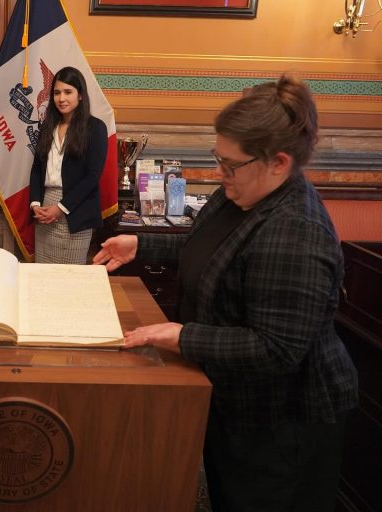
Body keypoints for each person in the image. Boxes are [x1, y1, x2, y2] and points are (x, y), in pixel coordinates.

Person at [94, 75, 358, 512]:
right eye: (219, 158)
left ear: (279, 162)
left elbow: (277, 348)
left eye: (231, 165)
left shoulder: (296, 229)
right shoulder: (244, 192)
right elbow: (216, 247)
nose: (221, 173)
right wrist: (142, 243)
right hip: (237, 403)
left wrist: (182, 336)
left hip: (283, 421)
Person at [29, 66, 107, 264]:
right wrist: (36, 204)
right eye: (56, 93)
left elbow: (92, 176)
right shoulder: (47, 125)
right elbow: (37, 168)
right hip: (46, 209)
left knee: (70, 277)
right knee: (44, 273)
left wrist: (61, 207)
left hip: (75, 211)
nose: (61, 98)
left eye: (68, 92)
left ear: (80, 95)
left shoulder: (95, 128)